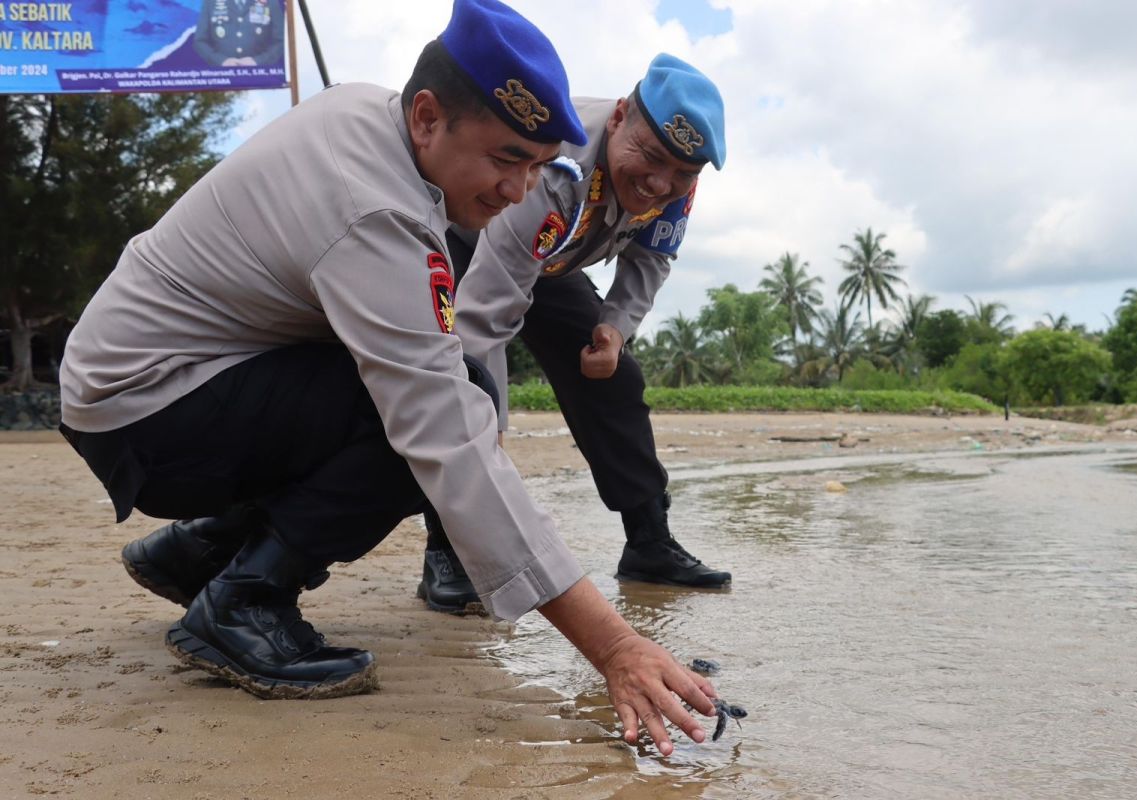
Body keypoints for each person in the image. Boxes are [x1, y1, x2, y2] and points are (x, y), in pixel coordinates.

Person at [58, 0, 715, 755]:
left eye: (537, 166)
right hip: (145, 406)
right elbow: (444, 428)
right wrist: (615, 647)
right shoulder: (374, 206)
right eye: (506, 160)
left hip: (174, 377)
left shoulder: (371, 122)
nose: (519, 191)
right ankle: (242, 602)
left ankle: (203, 553)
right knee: (435, 417)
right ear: (429, 117)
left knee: (445, 393)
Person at [416, 54, 732, 614]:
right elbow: (485, 318)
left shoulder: (677, 178)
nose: (661, 183)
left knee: (615, 379)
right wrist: (490, 433)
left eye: (682, 174)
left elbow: (650, 261)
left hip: (551, 262)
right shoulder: (555, 168)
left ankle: (650, 542)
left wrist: (614, 329)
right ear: (617, 119)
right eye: (650, 158)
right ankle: (448, 549)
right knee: (462, 391)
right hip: (466, 241)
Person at [193, 0, 285, 67]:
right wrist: (221, 61)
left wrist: (258, 61)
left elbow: (280, 41)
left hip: (260, 77)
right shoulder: (211, 3)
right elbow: (200, 41)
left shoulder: (270, 2)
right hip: (221, 78)